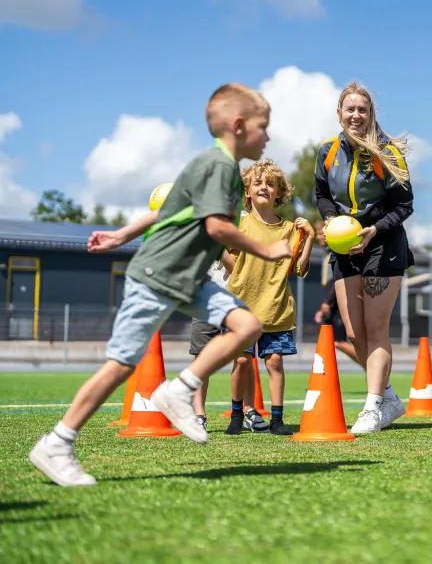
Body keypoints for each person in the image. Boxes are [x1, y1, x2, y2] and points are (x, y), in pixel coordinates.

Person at [29, 83, 291, 486]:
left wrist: (120, 235)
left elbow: (165, 212)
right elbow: (215, 226)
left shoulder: (217, 167)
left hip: (187, 279)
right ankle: (58, 442)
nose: (268, 136)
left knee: (248, 326)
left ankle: (180, 388)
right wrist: (266, 250)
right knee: (121, 366)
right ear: (239, 126)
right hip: (157, 276)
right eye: (263, 126)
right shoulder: (218, 167)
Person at [315, 82, 414, 434]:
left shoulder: (387, 152)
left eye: (362, 110)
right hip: (343, 248)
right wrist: (329, 219)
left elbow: (404, 205)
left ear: (370, 114)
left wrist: (374, 230)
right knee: (354, 331)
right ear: (339, 113)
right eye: (350, 109)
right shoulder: (327, 151)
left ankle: (372, 407)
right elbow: (322, 194)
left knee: (375, 328)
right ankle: (388, 398)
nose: (355, 115)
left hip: (383, 244)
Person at [220, 159, 313, 436]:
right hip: (241, 308)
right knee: (241, 361)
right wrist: (225, 259)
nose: (264, 187)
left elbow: (299, 268)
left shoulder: (290, 230)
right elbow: (227, 258)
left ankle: (276, 419)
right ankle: (236, 415)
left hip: (276, 308)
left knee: (274, 362)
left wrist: (307, 237)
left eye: (270, 184)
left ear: (279, 193)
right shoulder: (239, 225)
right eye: (258, 183)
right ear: (247, 191)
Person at [187, 261, 269, 432]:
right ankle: (199, 415)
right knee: (202, 358)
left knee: (244, 359)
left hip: (238, 300)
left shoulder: (239, 236)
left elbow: (237, 268)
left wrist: (221, 244)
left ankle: (248, 410)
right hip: (205, 299)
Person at [313, 219, 362, 367]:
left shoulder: (339, 255)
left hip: (339, 304)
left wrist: (328, 302)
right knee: (331, 342)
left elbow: (337, 282)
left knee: (337, 342)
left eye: (322, 234)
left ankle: (372, 367)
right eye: (318, 234)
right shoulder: (327, 254)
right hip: (332, 304)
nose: (319, 237)